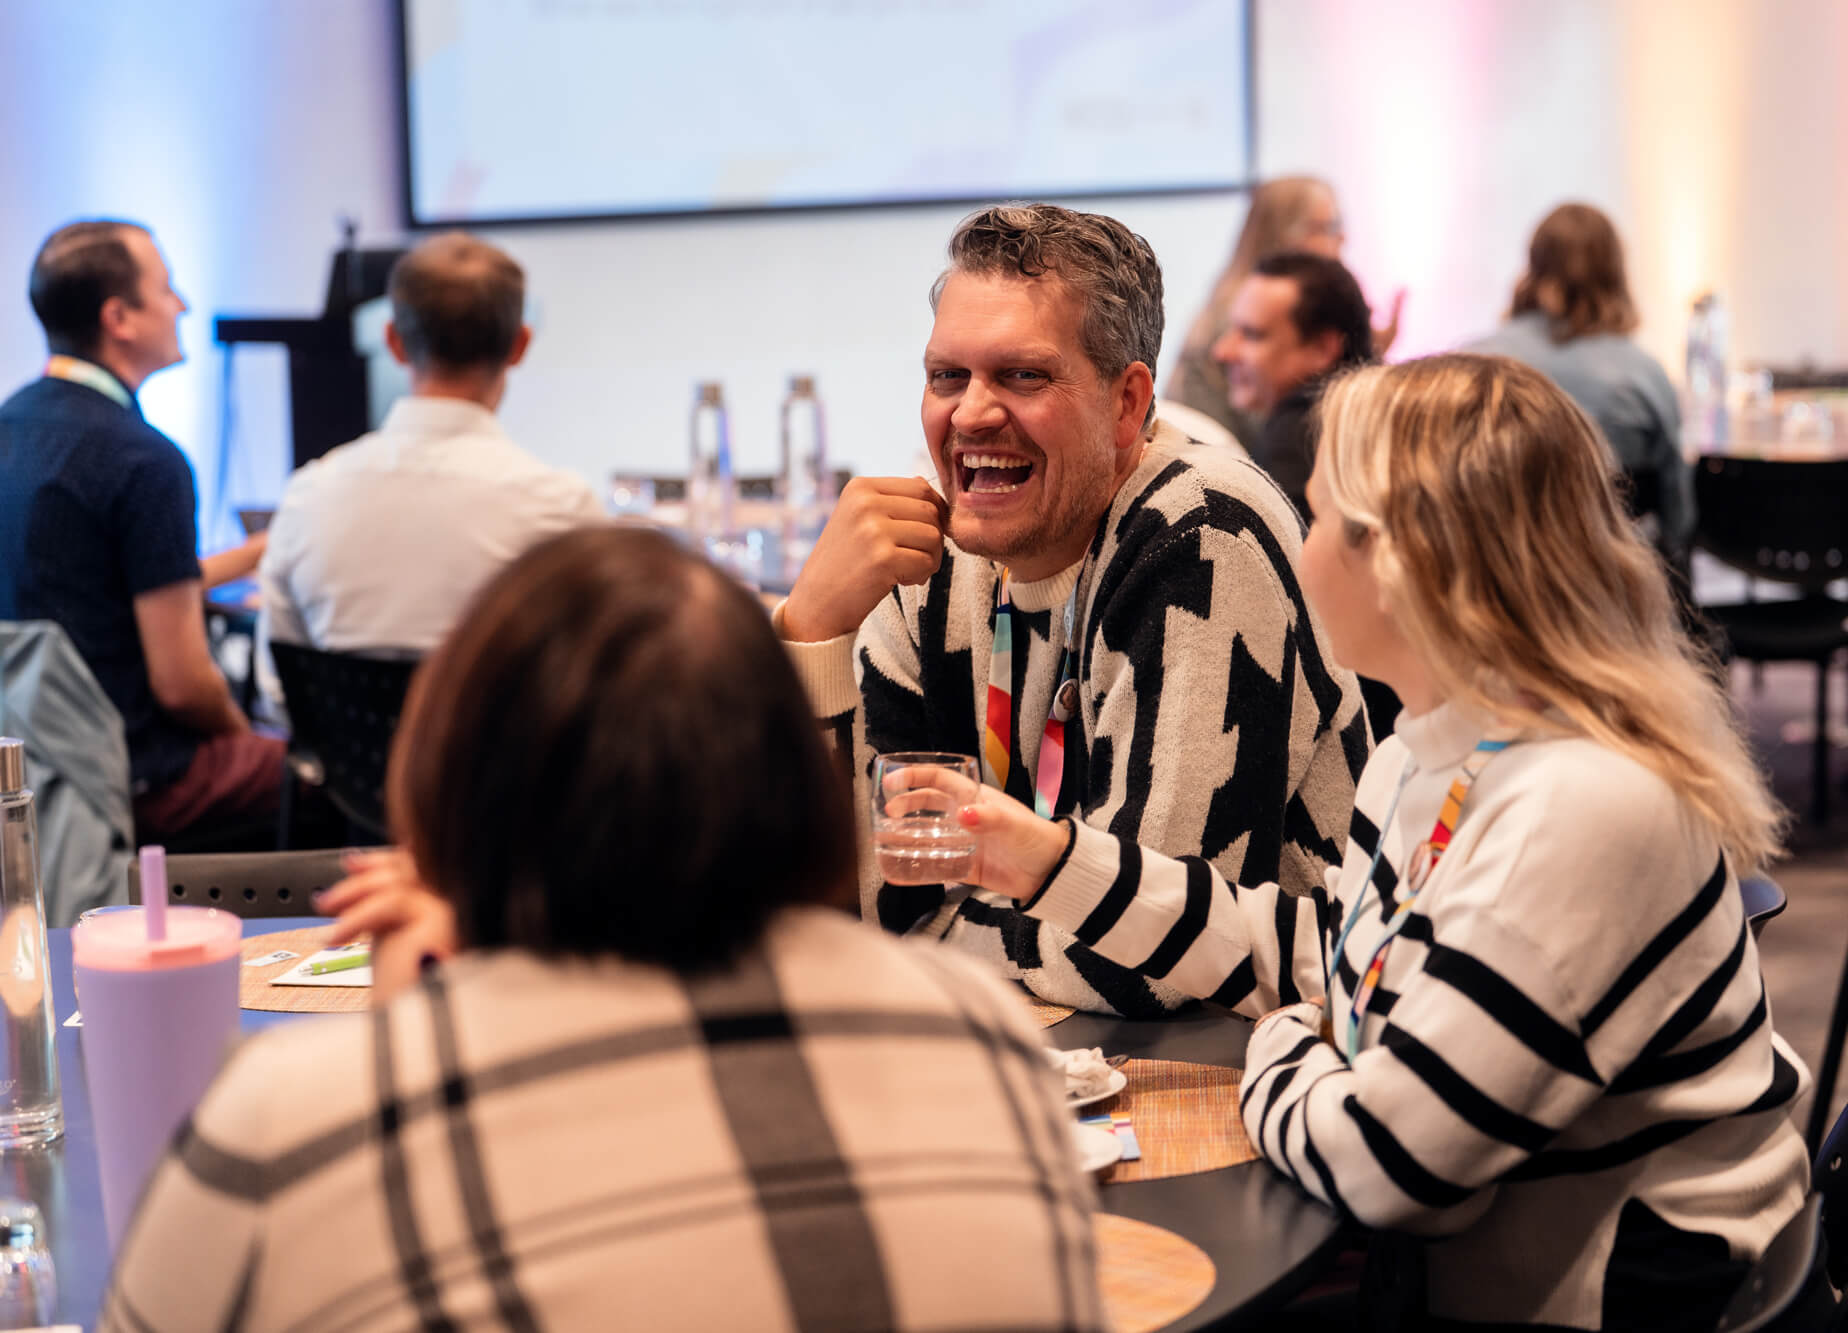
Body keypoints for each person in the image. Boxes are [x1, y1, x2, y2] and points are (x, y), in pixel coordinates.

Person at [949, 355, 1811, 1329]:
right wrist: (1052, 865)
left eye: (1316, 519)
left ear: (1400, 561)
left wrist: (1282, 1047)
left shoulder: (1579, 808)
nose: (1300, 550)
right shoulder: (1430, 746)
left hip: (1636, 1303)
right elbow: (1331, 953)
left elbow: (1391, 1166)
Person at [99, 527, 1102, 1333]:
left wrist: (424, 1017)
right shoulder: (981, 1036)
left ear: (447, 787)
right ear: (793, 776)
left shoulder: (288, 1122)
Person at [776, 203, 1370, 1017]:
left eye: (1023, 375)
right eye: (947, 376)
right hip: (1046, 1055)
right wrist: (812, 637)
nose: (972, 413)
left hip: (1236, 1071)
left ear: (1128, 404)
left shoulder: (1201, 535)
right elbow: (831, 921)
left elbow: (1146, 965)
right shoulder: (919, 563)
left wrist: (941, 932)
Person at [0, 220, 280, 841]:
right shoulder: (144, 458)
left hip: (29, 765)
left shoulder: (11, 427)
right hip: (133, 775)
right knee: (311, 775)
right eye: (168, 288)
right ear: (119, 318)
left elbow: (110, 582)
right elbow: (182, 686)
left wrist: (256, 552)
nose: (182, 304)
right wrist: (243, 733)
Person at [256, 232, 602, 707]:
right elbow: (594, 688)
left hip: (346, 779)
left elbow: (279, 690)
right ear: (520, 344)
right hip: (497, 779)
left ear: (394, 343)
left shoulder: (308, 495)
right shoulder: (562, 509)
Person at [1469, 202, 1692, 562]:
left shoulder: (1472, 365)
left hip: (1495, 581)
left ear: (1534, 265)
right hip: (1608, 592)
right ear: (1616, 274)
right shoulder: (1646, 377)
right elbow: (1678, 516)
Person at [1165, 176, 1403, 450]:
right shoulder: (1252, 310)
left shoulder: (1245, 299)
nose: (1343, 237)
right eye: (1329, 227)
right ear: (1286, 235)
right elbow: (1283, 437)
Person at [1210, 250, 1374, 521]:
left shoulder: (1295, 435)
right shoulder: (1373, 417)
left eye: (1251, 335)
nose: (1223, 351)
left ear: (1322, 348)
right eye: (1231, 330)